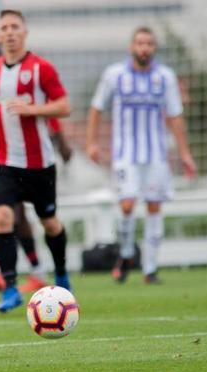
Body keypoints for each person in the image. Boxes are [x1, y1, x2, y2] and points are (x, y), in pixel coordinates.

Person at [0, 9, 72, 313]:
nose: (10, 32)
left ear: (24, 32)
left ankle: (62, 273)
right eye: (5, 28)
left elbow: (64, 106)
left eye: (15, 27)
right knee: (3, 218)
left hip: (39, 163)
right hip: (4, 160)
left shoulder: (42, 69)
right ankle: (11, 288)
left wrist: (33, 110)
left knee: (49, 223)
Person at [86, 26, 197, 284]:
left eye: (148, 43)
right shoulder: (115, 75)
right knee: (126, 204)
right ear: (131, 47)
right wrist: (91, 143)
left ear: (154, 48)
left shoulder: (165, 77)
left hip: (156, 154)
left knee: (154, 206)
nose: (144, 48)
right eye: (139, 43)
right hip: (125, 154)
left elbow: (175, 116)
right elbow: (95, 108)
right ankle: (125, 255)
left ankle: (150, 269)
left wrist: (185, 153)